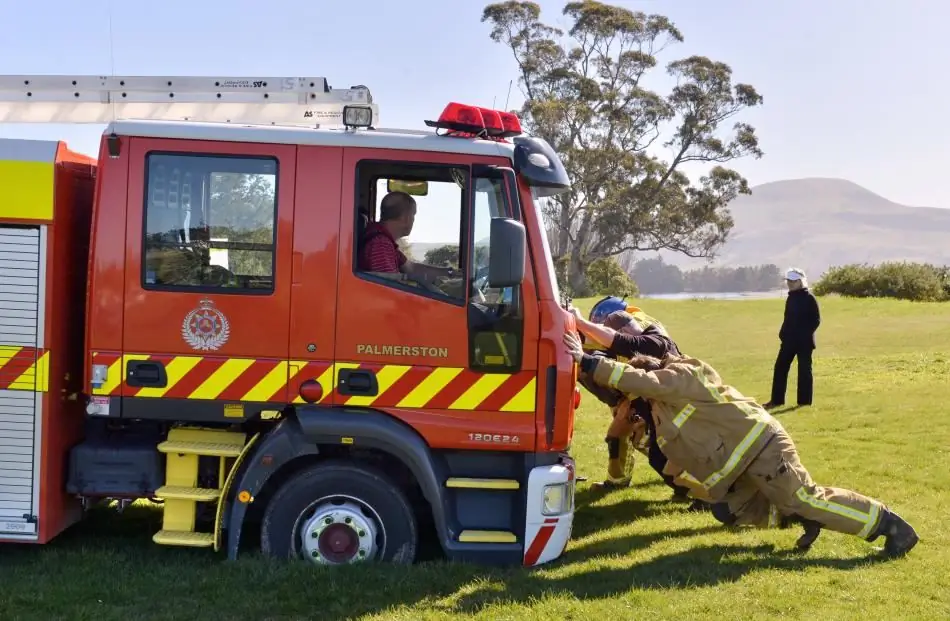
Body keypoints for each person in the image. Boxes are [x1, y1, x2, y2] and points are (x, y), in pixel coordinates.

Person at [561, 330, 919, 556]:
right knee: (729, 511)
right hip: (737, 468)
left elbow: (646, 383)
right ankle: (802, 517)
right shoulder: (660, 410)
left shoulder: (683, 374)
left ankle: (889, 525)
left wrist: (588, 361)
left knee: (805, 497)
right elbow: (675, 459)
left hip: (762, 447)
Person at [571, 304, 695, 503]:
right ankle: (621, 480)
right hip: (649, 399)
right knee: (630, 440)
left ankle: (697, 491)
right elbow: (603, 345)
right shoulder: (635, 324)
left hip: (670, 406)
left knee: (659, 449)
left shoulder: (655, 341)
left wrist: (580, 323)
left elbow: (622, 343)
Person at [359, 191, 455, 285]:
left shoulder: (385, 242)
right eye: (413, 215)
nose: (413, 220)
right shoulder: (380, 245)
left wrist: (450, 273)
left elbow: (412, 268)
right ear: (406, 218)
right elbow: (391, 290)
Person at [763, 268, 821, 409]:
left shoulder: (809, 298)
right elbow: (788, 319)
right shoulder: (791, 298)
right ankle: (777, 400)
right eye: (788, 281)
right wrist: (783, 334)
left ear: (800, 281)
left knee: (804, 371)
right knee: (780, 368)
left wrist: (803, 335)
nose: (790, 283)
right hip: (788, 341)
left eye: (793, 281)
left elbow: (816, 320)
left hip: (804, 342)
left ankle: (804, 402)